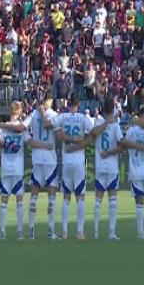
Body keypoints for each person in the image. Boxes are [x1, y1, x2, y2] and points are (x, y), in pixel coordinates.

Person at [57, 96, 110, 239]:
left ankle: (64, 231)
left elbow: (56, 132)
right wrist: (83, 142)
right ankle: (80, 231)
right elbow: (94, 133)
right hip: (79, 160)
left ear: (68, 104)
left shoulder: (63, 117)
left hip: (66, 159)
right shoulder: (82, 118)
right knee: (80, 197)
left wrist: (70, 140)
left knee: (66, 197)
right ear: (78, 104)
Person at [0, 101, 36, 240]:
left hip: (6, 167)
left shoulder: (2, 127)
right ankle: (19, 232)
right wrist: (44, 145)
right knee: (19, 201)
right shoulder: (21, 128)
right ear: (19, 112)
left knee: (3, 202)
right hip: (17, 168)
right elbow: (30, 142)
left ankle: (2, 231)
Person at [24, 92, 61, 240]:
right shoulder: (54, 115)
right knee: (52, 197)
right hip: (50, 159)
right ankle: (50, 232)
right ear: (50, 100)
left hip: (37, 158)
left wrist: (29, 139)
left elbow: (22, 127)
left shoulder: (34, 113)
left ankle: (31, 232)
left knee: (34, 197)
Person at [117, 108, 144, 239]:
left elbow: (123, 146)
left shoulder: (130, 132)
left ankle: (141, 233)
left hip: (136, 172)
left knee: (140, 204)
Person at [93, 96, 125, 240]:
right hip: (112, 167)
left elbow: (92, 135)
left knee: (98, 201)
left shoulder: (98, 122)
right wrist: (110, 152)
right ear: (113, 108)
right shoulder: (116, 126)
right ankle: (112, 232)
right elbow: (121, 147)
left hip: (100, 166)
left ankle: (95, 231)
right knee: (112, 201)